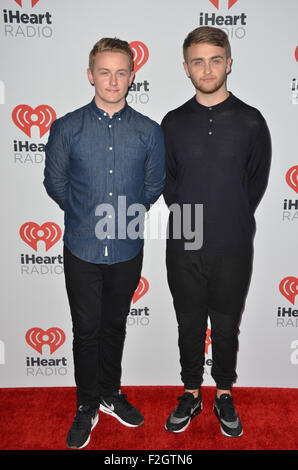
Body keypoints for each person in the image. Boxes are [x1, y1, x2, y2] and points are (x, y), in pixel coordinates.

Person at [44, 37, 165, 449]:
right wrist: (85, 214)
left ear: (132, 76)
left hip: (128, 248)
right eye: (104, 71)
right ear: (90, 74)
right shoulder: (65, 128)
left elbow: (153, 186)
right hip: (82, 248)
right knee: (86, 330)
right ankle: (86, 403)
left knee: (114, 326)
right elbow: (56, 184)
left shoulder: (149, 132)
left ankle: (111, 393)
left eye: (120, 72)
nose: (112, 80)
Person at [161, 26, 271, 437]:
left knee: (226, 326)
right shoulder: (171, 122)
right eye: (197, 61)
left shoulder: (251, 121)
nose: (207, 68)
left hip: (233, 244)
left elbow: (254, 184)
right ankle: (191, 393)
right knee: (188, 323)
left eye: (215, 59)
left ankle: (223, 393)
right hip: (184, 242)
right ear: (186, 68)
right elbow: (169, 184)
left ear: (228, 62)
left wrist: (228, 217)